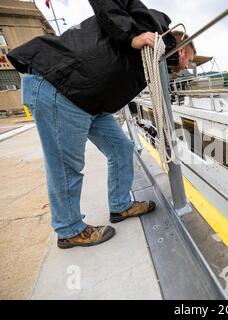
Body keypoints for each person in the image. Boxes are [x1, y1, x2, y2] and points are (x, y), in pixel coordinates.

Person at [6, 0, 195, 249]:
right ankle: (69, 230)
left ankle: (120, 205)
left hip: (90, 102)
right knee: (65, 167)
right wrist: (132, 36)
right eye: (189, 59)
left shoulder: (152, 54)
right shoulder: (146, 25)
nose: (187, 66)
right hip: (61, 88)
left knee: (121, 148)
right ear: (182, 49)